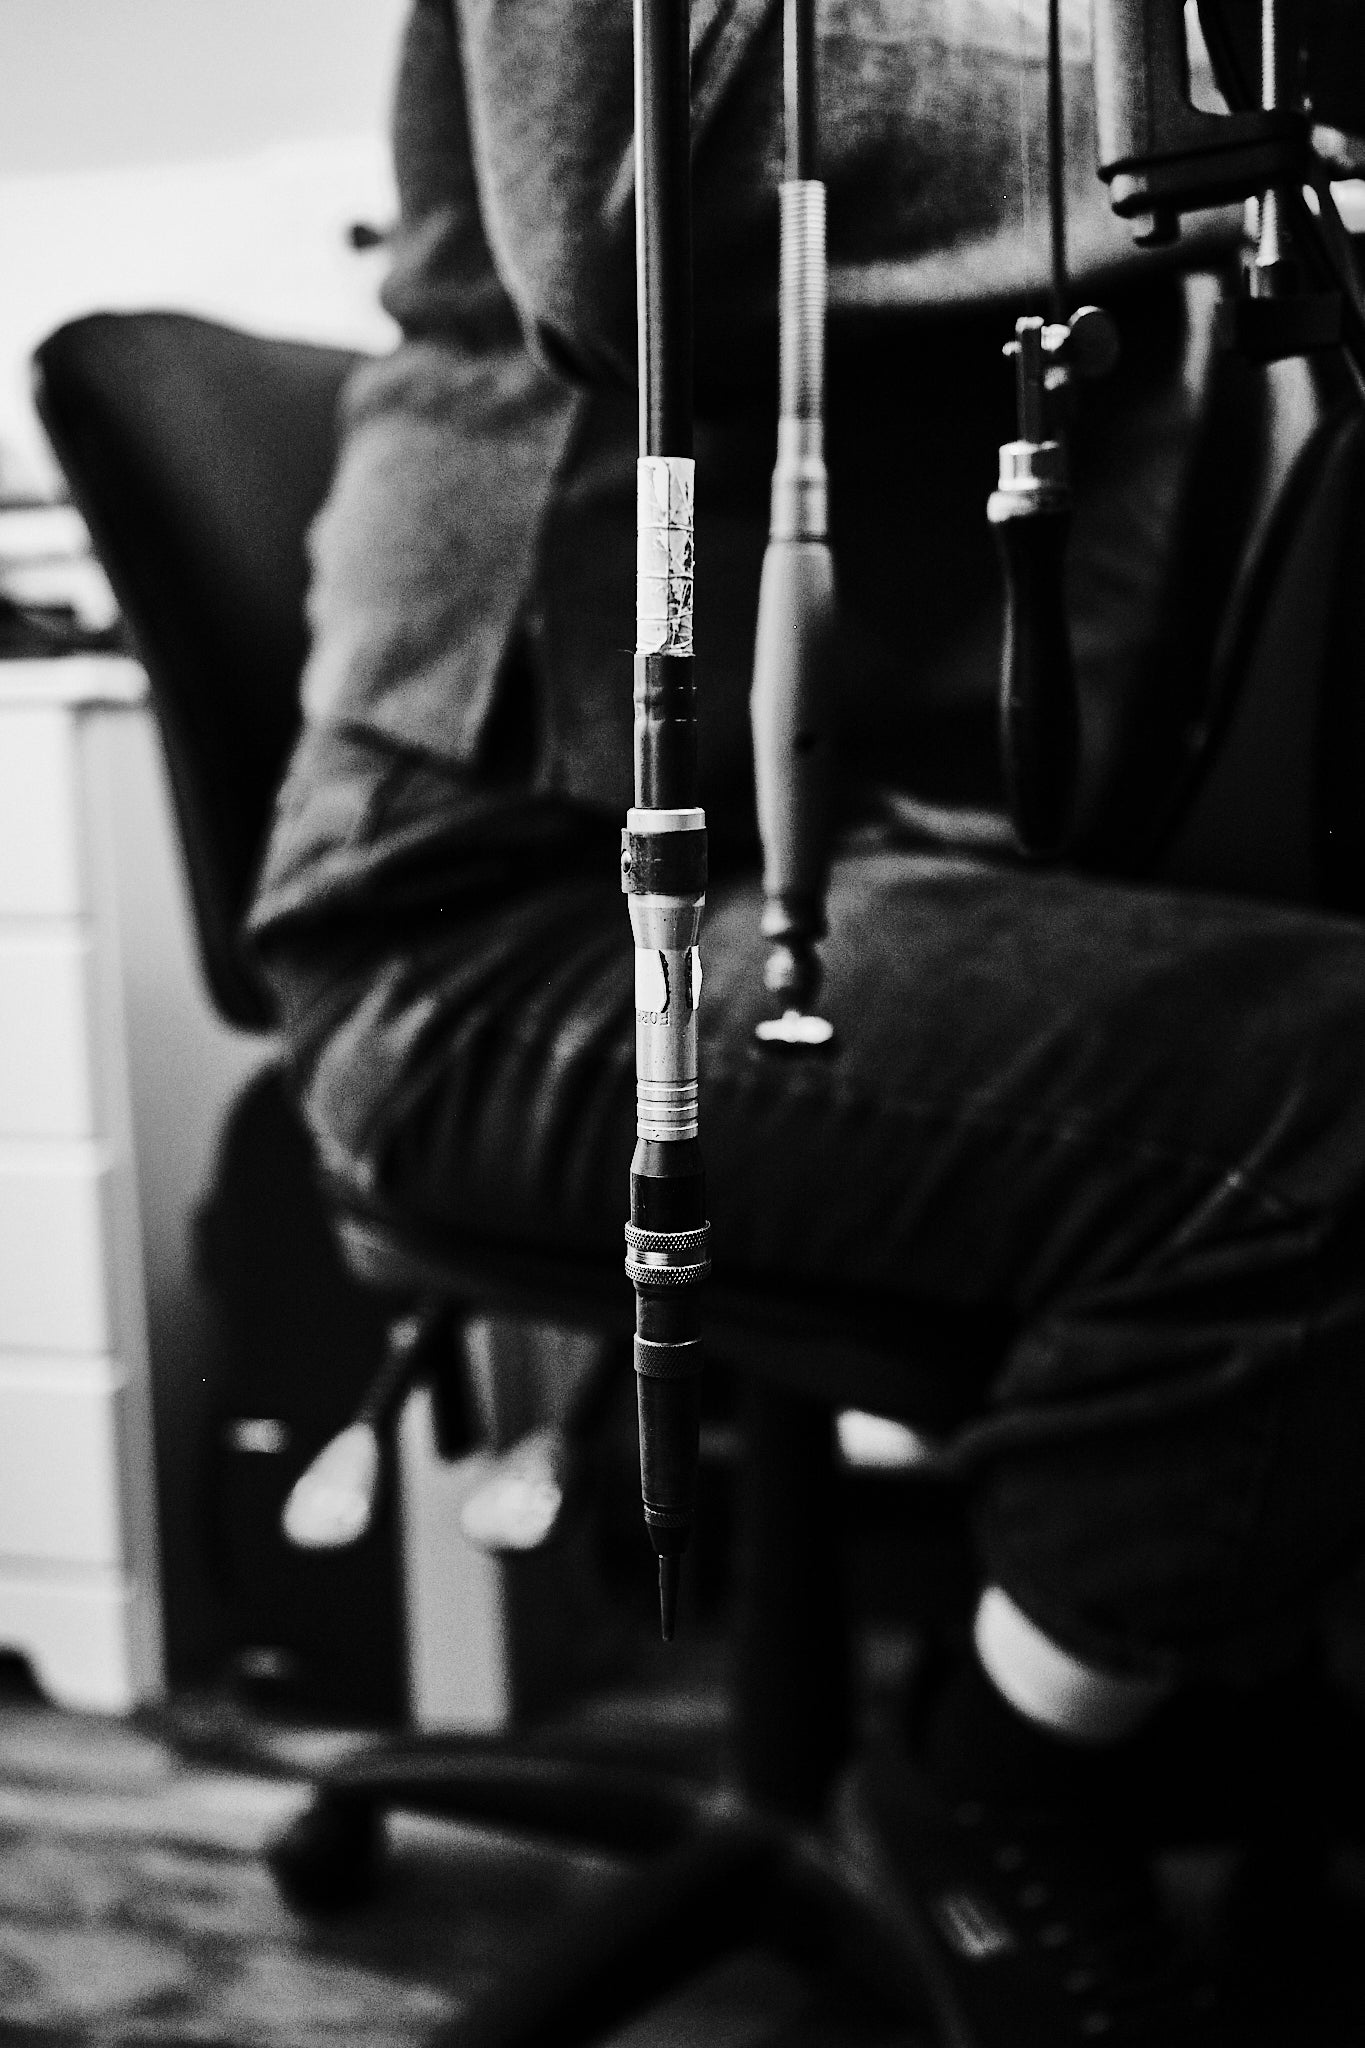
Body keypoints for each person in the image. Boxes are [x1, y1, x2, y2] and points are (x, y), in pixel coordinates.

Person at [250, 1, 1365, 2038]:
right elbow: (616, 211)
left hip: (932, 875)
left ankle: (1150, 1669)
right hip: (506, 920)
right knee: (1330, 1106)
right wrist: (1257, 114)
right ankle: (991, 1774)